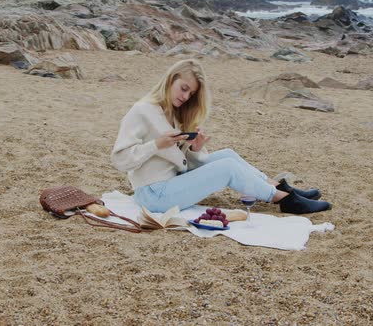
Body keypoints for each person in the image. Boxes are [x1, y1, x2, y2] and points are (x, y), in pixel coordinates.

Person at [111, 59, 331, 215]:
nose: (185, 97)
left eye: (190, 94)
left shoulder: (175, 115)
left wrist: (194, 148)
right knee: (227, 168)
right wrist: (156, 144)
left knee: (227, 154)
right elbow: (120, 160)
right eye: (183, 88)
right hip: (152, 194)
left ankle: (280, 188)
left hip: (172, 182)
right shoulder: (142, 110)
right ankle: (283, 200)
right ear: (170, 80)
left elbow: (182, 164)